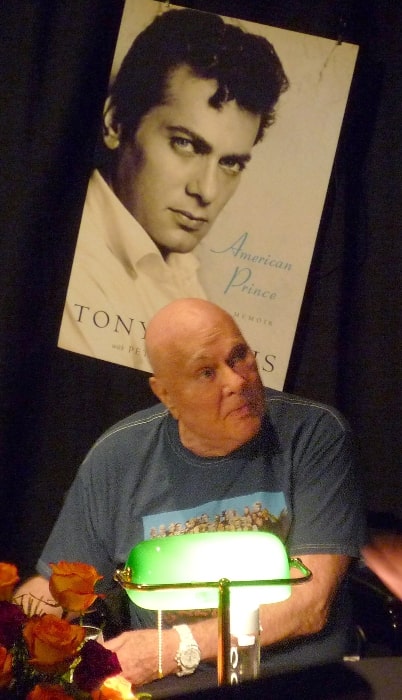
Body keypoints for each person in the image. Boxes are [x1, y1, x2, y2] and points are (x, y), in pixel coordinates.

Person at [18, 298, 366, 688]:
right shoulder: (118, 458)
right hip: (168, 688)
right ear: (166, 394)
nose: (236, 381)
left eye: (238, 357)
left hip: (297, 683)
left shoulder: (315, 435)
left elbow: (309, 604)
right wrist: (12, 632)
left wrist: (177, 646)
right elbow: (57, 592)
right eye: (206, 372)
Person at [57, 7, 289, 371]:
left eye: (230, 163)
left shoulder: (180, 269)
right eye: (185, 144)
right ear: (116, 123)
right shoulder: (75, 264)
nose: (207, 191)